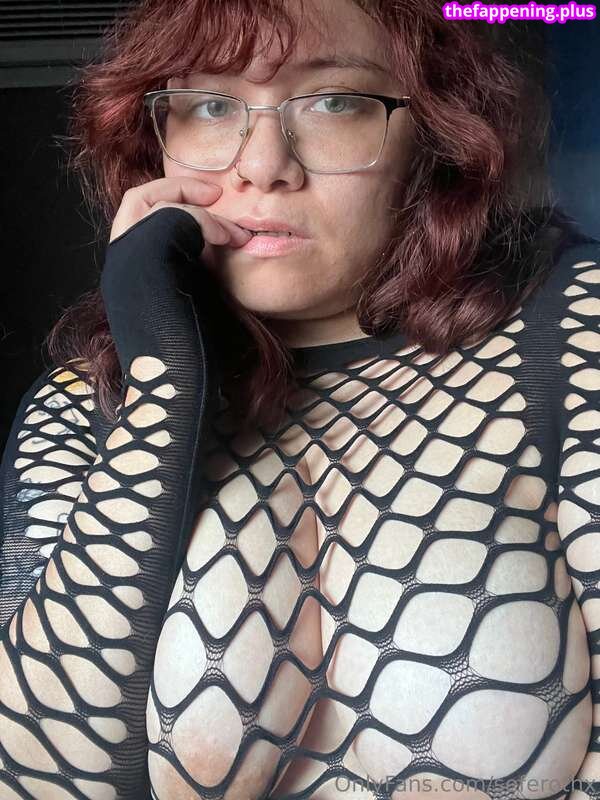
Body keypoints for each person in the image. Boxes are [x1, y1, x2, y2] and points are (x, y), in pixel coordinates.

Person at [1, 0, 600, 799]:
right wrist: (163, 386)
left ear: (433, 135)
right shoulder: (87, 403)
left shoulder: (573, 335)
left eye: (333, 101)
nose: (263, 164)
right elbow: (39, 778)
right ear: (158, 139)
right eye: (211, 105)